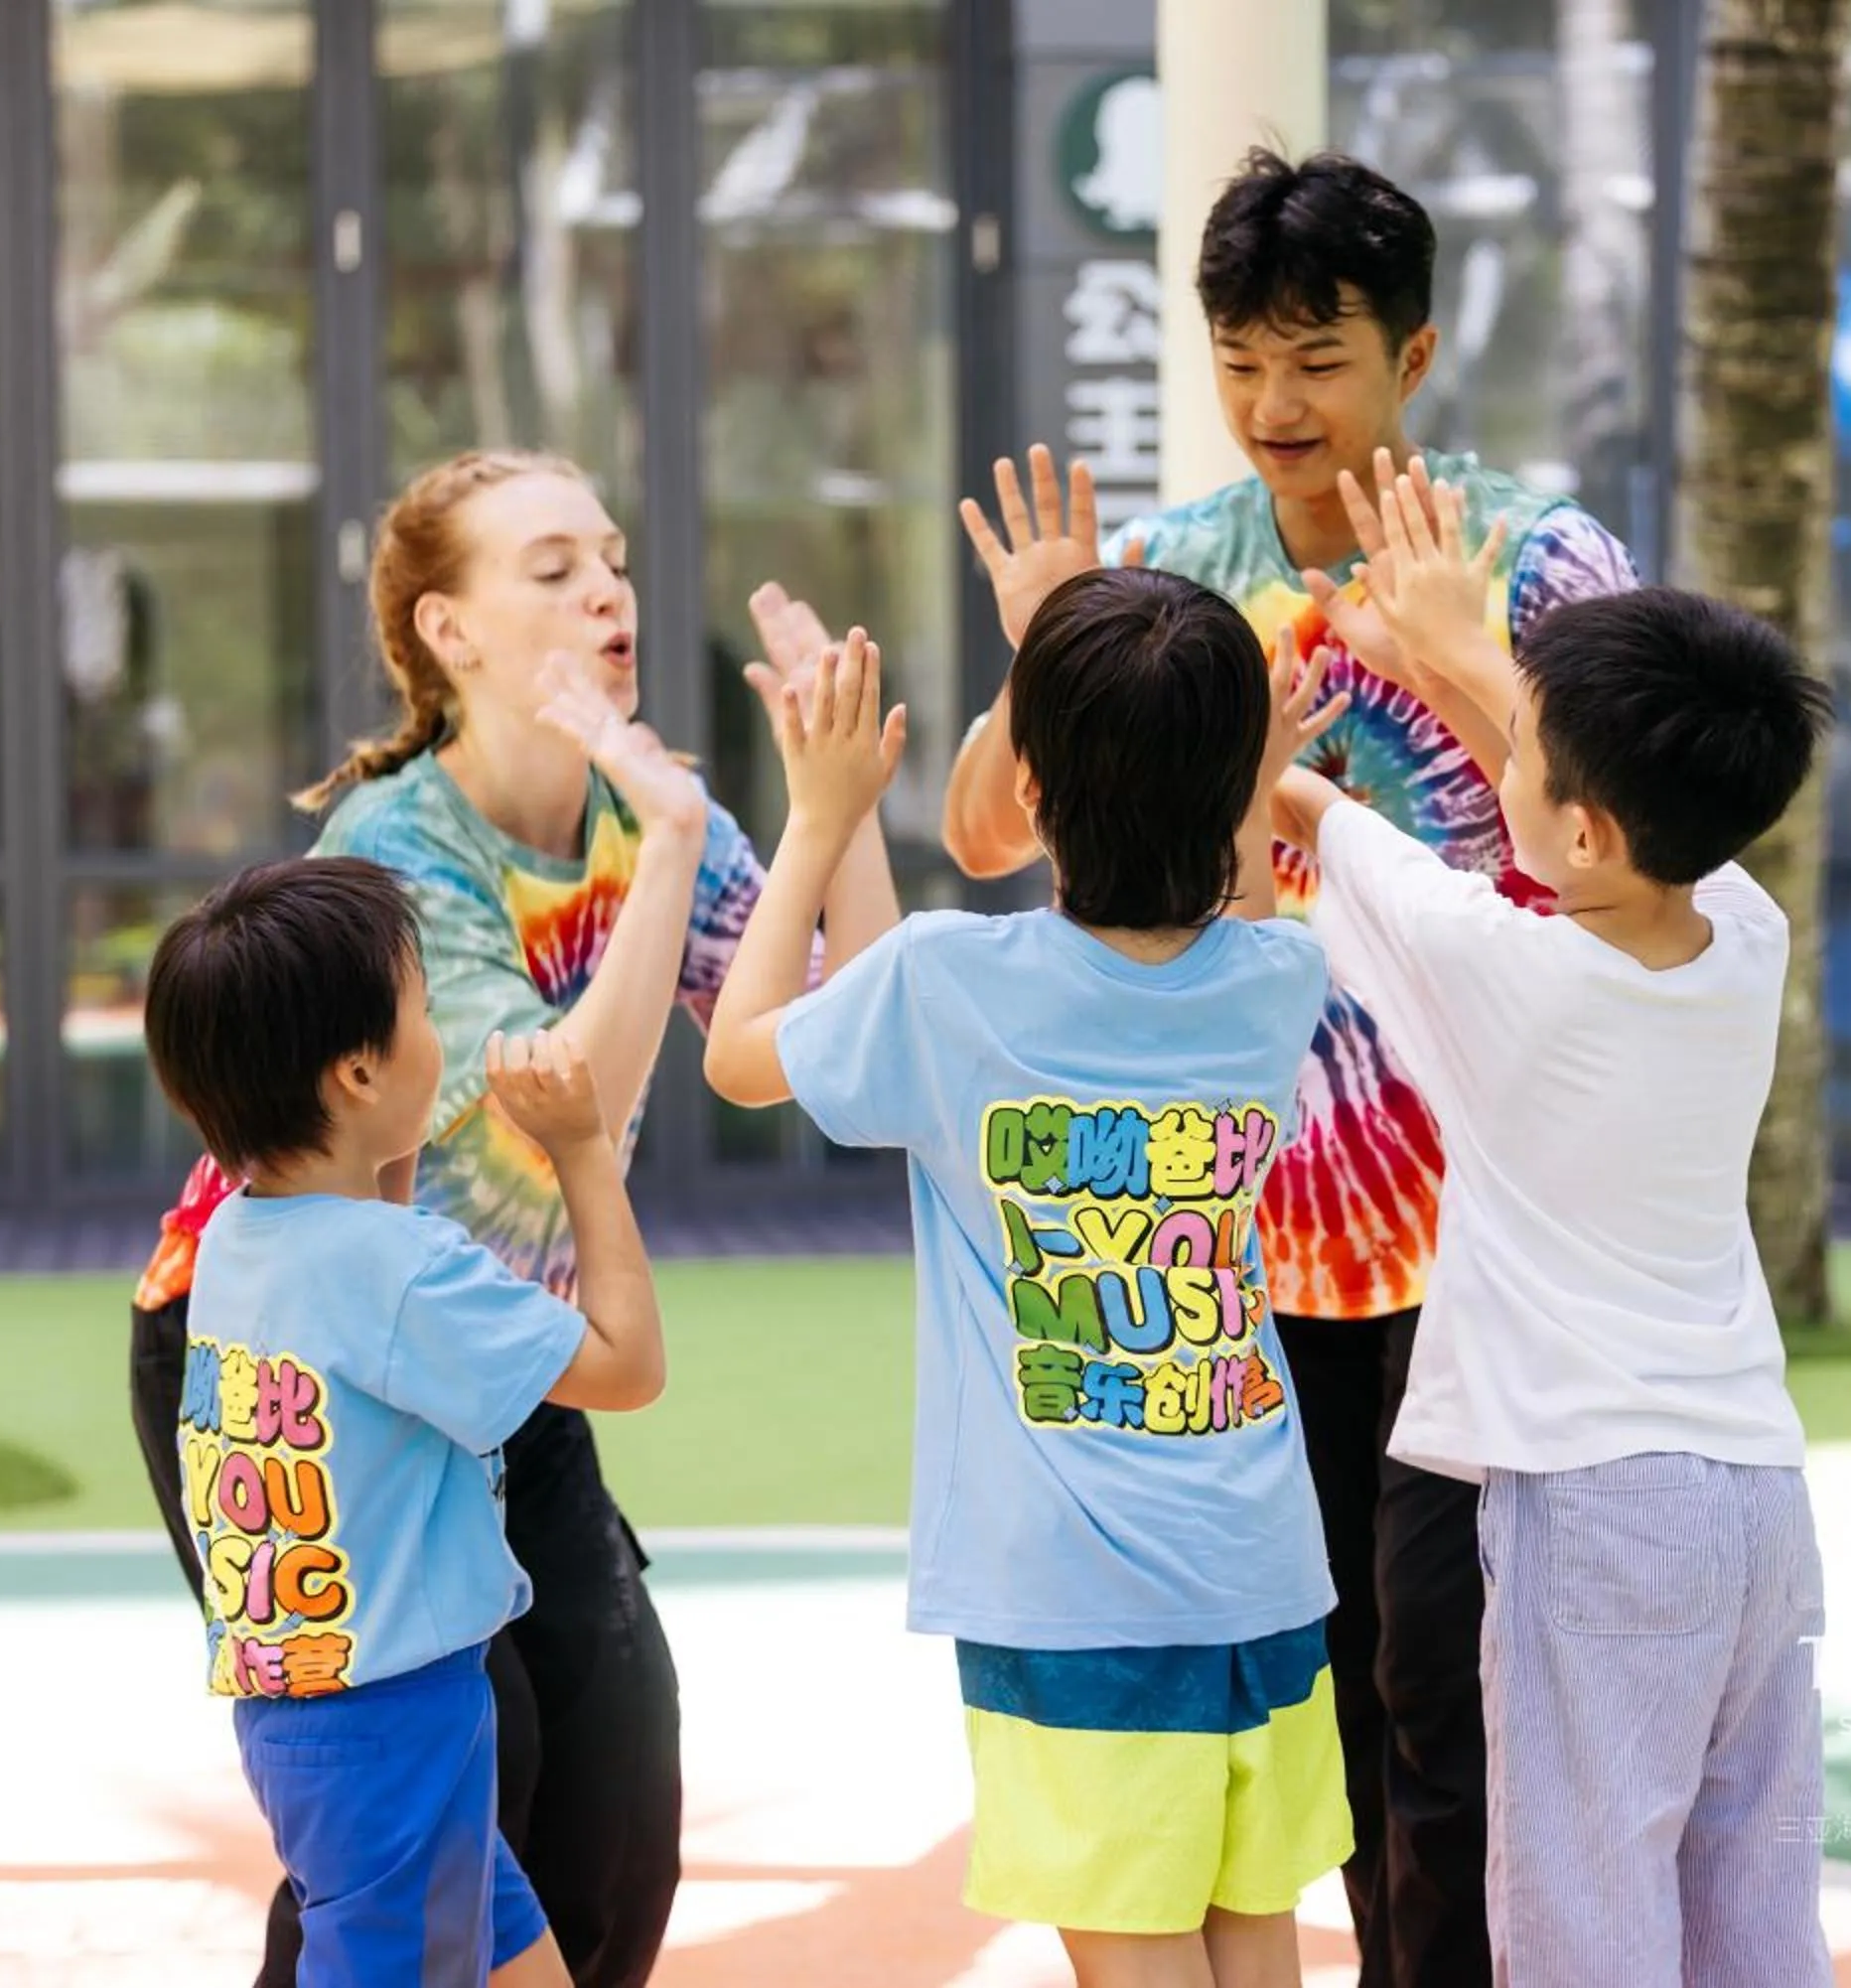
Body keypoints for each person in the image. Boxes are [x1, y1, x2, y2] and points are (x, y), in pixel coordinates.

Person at [941, 148, 1640, 1988]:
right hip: (1233, 1243)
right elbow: (991, 836)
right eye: (1242, 360)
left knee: (1459, 1693)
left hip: (1490, 1226)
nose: (1275, 408)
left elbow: (1638, 846)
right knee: (1320, 1689)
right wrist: (1046, 642)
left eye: (1316, 361)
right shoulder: (1180, 569)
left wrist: (1469, 660)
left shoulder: (1541, 561)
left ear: (1411, 357)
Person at [127, 449, 899, 1987]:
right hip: (298, 1344)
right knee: (413, 1809)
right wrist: (678, 836)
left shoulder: (646, 807)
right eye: (549, 568)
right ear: (448, 631)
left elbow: (850, 1039)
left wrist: (841, 805)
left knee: (612, 1799)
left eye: (609, 556)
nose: (605, 587)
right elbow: (551, 1134)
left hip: (492, 1342)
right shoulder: (396, 858)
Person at [706, 578, 1351, 1988]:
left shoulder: (956, 985)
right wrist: (1246, 777)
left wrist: (819, 813)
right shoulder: (1277, 981)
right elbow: (1206, 897)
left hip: (1075, 1605)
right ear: (1235, 782)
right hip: (1259, 1570)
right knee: (1257, 1949)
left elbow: (746, 1048)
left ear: (1036, 789)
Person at [1274, 464, 1832, 1984]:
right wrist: (1456, 644)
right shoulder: (1741, 933)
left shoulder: (1503, 970)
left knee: (1581, 1918)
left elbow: (1318, 814)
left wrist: (1292, 738)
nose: (1492, 773)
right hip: (1756, 1502)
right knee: (1752, 1907)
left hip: (1594, 1513)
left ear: (1583, 831)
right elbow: (1589, 798)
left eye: (1521, 764)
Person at [140, 856, 670, 1987]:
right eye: (423, 1010)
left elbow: (363, 1261)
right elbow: (628, 1366)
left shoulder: (238, 1236)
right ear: (358, 1070)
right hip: (402, 1725)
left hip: (306, 1718)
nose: (439, 1033)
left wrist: (402, 1138)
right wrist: (582, 1145)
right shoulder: (399, 1272)